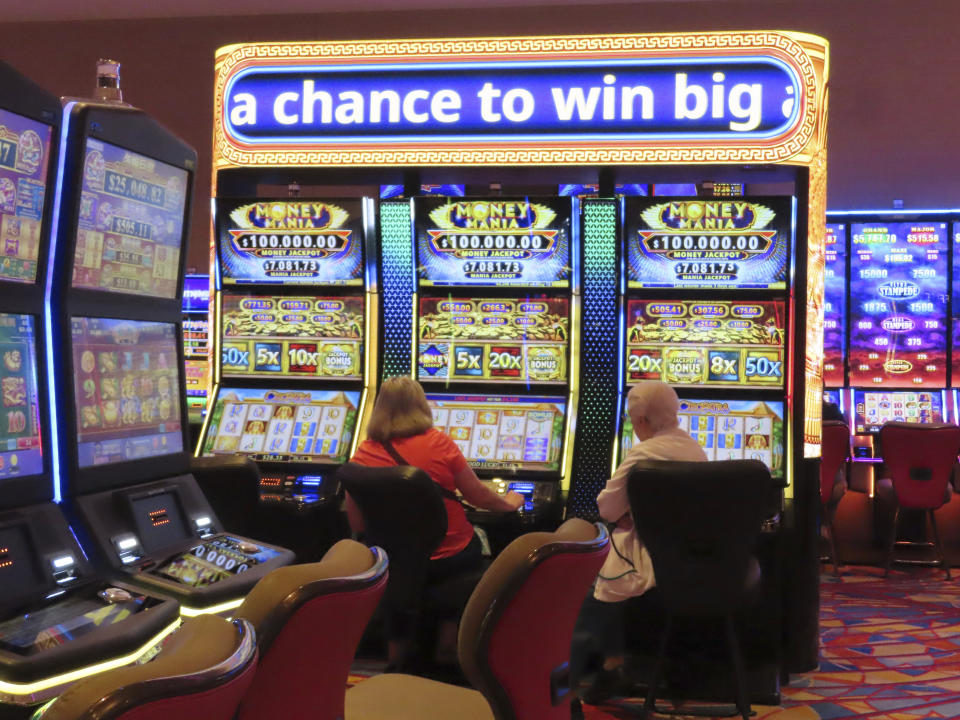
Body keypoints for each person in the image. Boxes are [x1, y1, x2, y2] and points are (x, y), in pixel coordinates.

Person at [346, 376, 524, 668]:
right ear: (422, 405)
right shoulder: (439, 443)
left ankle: (396, 659)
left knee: (406, 570)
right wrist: (511, 502)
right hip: (447, 558)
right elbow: (479, 496)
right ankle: (450, 642)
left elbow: (358, 523)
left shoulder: (364, 452)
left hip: (391, 559)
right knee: (478, 536)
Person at [575, 380, 707, 706]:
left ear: (644, 422)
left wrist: (631, 513)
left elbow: (607, 508)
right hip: (699, 559)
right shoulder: (696, 450)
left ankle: (601, 666)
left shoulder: (643, 455)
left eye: (635, 422)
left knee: (587, 580)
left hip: (651, 559)